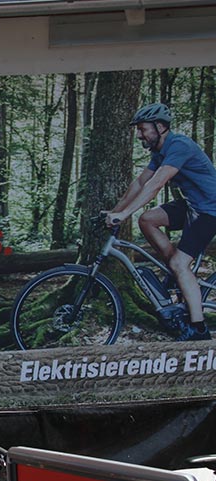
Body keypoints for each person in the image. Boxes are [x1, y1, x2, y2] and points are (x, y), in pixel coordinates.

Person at [106, 103, 216, 342]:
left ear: (160, 127)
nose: (139, 135)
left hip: (211, 209)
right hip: (192, 205)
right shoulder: (159, 152)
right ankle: (178, 271)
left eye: (142, 129)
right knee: (147, 219)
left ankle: (198, 329)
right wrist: (115, 211)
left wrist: (125, 215)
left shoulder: (179, 146)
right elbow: (139, 183)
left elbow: (155, 185)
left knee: (179, 263)